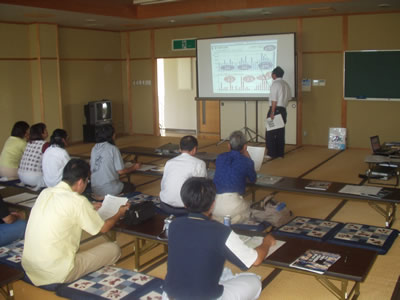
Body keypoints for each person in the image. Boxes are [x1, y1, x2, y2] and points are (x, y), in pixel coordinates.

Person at [163, 177, 276, 300]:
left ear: (184, 204)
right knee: (254, 281)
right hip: (207, 297)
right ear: (213, 204)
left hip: (170, 296)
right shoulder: (221, 231)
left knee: (219, 270)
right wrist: (267, 242)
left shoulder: (174, 225)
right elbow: (256, 260)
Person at [22, 159, 129, 286]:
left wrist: (90, 206)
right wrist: (119, 213)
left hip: (30, 267)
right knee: (113, 249)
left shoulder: (45, 192)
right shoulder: (78, 201)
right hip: (58, 272)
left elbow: (63, 207)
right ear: (80, 182)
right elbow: (104, 228)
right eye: (86, 181)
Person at [212, 130, 256, 224]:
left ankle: (222, 221)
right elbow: (253, 179)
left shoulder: (220, 157)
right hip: (234, 204)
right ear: (245, 147)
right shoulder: (246, 161)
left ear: (228, 145)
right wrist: (249, 159)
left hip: (215, 204)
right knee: (250, 208)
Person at [160, 135, 207, 215]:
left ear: (180, 148)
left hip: (164, 205)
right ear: (194, 149)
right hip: (186, 209)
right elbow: (201, 189)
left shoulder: (169, 162)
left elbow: (163, 185)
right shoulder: (199, 164)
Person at [90, 124, 140, 197]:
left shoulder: (94, 148)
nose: (115, 135)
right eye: (114, 133)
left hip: (95, 188)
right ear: (111, 135)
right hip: (109, 189)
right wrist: (134, 167)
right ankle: (113, 197)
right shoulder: (112, 148)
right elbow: (121, 171)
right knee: (131, 186)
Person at [265, 66, 292, 159]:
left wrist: (272, 112)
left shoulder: (275, 84)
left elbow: (274, 100)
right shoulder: (286, 84)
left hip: (275, 110)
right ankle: (280, 154)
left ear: (274, 75)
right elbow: (289, 98)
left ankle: (271, 153)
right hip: (283, 110)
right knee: (280, 132)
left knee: (271, 132)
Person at [18, 123, 49, 188]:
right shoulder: (45, 144)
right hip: (35, 179)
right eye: (45, 130)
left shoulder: (29, 143)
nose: (47, 131)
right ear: (41, 133)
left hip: (21, 177)